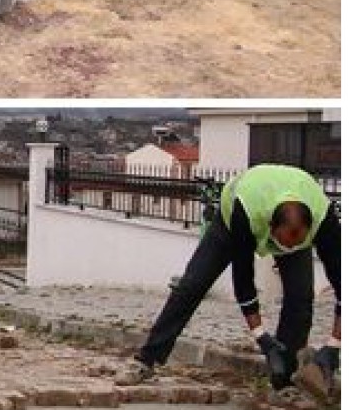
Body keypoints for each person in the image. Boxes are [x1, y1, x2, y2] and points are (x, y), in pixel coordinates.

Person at [117, 164, 340, 396]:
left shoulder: (323, 220)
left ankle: (284, 379)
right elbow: (243, 280)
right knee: (193, 284)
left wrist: (334, 345)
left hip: (293, 216)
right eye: (282, 243)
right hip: (229, 222)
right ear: (269, 226)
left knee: (301, 299)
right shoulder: (246, 212)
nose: (286, 249)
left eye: (296, 244)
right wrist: (261, 337)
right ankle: (146, 359)